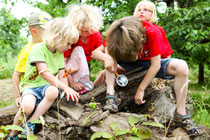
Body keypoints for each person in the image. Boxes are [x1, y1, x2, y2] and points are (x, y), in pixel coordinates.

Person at [92, 16, 202, 136]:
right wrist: (106, 58)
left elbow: (155, 65)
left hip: (149, 63)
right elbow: (95, 53)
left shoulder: (151, 31)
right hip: (128, 62)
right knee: (108, 51)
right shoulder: (118, 32)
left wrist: (141, 89)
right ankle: (111, 95)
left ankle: (181, 112)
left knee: (182, 66)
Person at [7, 17, 80, 140]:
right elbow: (44, 73)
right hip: (31, 86)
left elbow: (62, 74)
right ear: (57, 38)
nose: (69, 47)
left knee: (54, 91)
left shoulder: (59, 54)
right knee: (27, 107)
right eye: (68, 43)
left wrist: (65, 91)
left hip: (46, 86)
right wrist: (66, 88)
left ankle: (31, 122)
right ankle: (12, 134)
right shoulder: (38, 48)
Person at [12, 11, 52, 109]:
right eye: (47, 31)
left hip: (43, 86)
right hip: (30, 87)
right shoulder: (27, 51)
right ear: (34, 31)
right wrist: (17, 96)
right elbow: (16, 75)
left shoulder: (48, 47)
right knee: (28, 107)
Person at [64, 4, 103, 92]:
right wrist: (72, 83)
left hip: (81, 70)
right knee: (79, 49)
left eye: (87, 31)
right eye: (81, 31)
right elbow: (62, 62)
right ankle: (80, 84)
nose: (84, 34)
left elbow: (102, 54)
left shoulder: (95, 35)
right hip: (68, 71)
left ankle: (85, 85)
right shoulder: (71, 37)